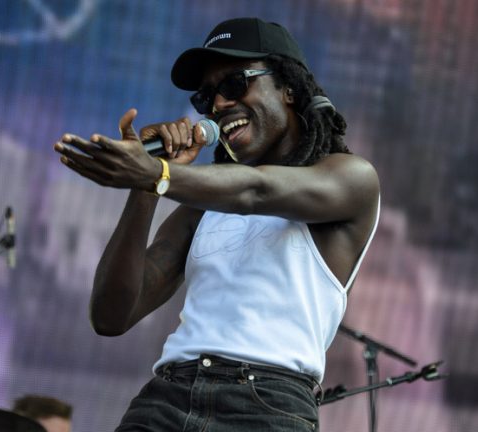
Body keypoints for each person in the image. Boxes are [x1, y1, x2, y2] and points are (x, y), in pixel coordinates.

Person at [54, 17, 380, 432]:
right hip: (166, 399)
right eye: (206, 97)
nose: (219, 105)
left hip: (265, 405)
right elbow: (110, 316)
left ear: (288, 88)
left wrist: (157, 174)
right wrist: (145, 187)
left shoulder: (351, 178)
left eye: (234, 84)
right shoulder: (198, 210)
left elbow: (257, 191)